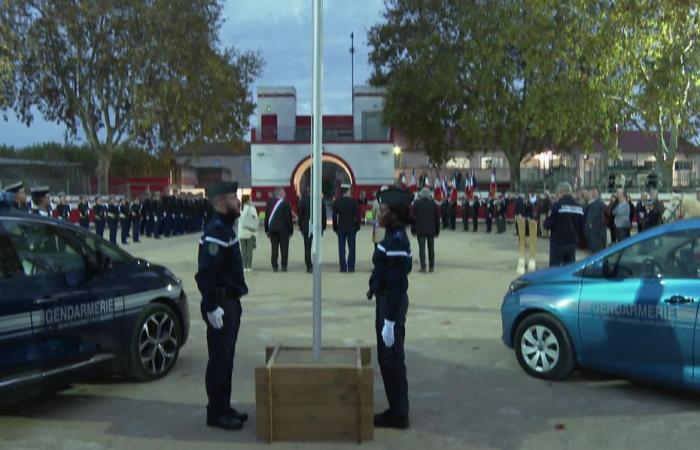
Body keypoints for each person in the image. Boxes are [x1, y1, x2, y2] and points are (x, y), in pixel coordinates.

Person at [194, 181, 249, 431]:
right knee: (219, 359)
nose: (238, 202)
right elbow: (206, 272)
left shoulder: (225, 227)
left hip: (230, 301)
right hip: (221, 303)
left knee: (227, 358)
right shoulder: (217, 230)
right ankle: (215, 412)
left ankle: (223, 406)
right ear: (220, 203)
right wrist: (211, 305)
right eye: (233, 198)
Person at [367, 187, 413, 430]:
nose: (379, 214)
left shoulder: (396, 240)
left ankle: (398, 414)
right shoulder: (393, 235)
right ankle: (397, 410)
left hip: (391, 305)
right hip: (386, 302)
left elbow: (397, 284)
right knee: (388, 360)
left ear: (394, 214)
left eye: (383, 210)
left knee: (392, 360)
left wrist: (390, 321)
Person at [544, 182, 585, 267]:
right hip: (572, 244)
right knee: (569, 269)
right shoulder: (579, 207)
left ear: (560, 192)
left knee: (554, 269)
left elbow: (547, 225)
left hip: (558, 244)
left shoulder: (557, 206)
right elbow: (582, 227)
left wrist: (547, 218)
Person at [332, 184, 361, 273]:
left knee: (341, 248)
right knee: (352, 248)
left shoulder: (337, 202)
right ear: (347, 191)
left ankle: (343, 267)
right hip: (352, 227)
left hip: (341, 227)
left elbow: (334, 217)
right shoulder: (353, 202)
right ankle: (351, 267)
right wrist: (357, 227)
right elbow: (357, 216)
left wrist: (335, 227)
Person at [298, 187, 327, 273]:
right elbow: (323, 215)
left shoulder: (303, 200)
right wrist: (323, 227)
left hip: (307, 226)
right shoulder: (320, 200)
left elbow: (301, 215)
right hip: (317, 226)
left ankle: (309, 266)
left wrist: (300, 226)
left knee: (307, 247)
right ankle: (317, 263)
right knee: (317, 247)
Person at [411, 187, 440, 273]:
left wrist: (413, 230)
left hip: (420, 230)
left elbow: (413, 218)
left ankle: (423, 267)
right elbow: (437, 219)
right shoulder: (434, 204)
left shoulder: (416, 204)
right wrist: (437, 231)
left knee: (422, 249)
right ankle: (431, 267)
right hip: (431, 230)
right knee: (431, 249)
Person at [264, 188, 293, 272]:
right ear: (280, 194)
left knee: (274, 248)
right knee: (284, 249)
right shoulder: (285, 203)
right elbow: (288, 218)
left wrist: (266, 229)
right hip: (284, 230)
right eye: (284, 193)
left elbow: (267, 217)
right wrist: (291, 230)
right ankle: (284, 266)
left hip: (272, 229)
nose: (285, 194)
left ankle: (274, 266)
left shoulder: (269, 202)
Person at [237, 194, 259, 273]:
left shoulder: (239, 209)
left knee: (243, 251)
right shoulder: (251, 208)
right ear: (247, 200)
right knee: (249, 251)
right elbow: (256, 219)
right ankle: (248, 266)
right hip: (250, 231)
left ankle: (244, 267)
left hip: (241, 232)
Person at [585, 188, 607, 253]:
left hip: (597, 232)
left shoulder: (598, 204)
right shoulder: (593, 204)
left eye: (594, 192)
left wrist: (589, 224)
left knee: (597, 252)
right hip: (596, 232)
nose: (591, 194)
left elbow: (591, 219)